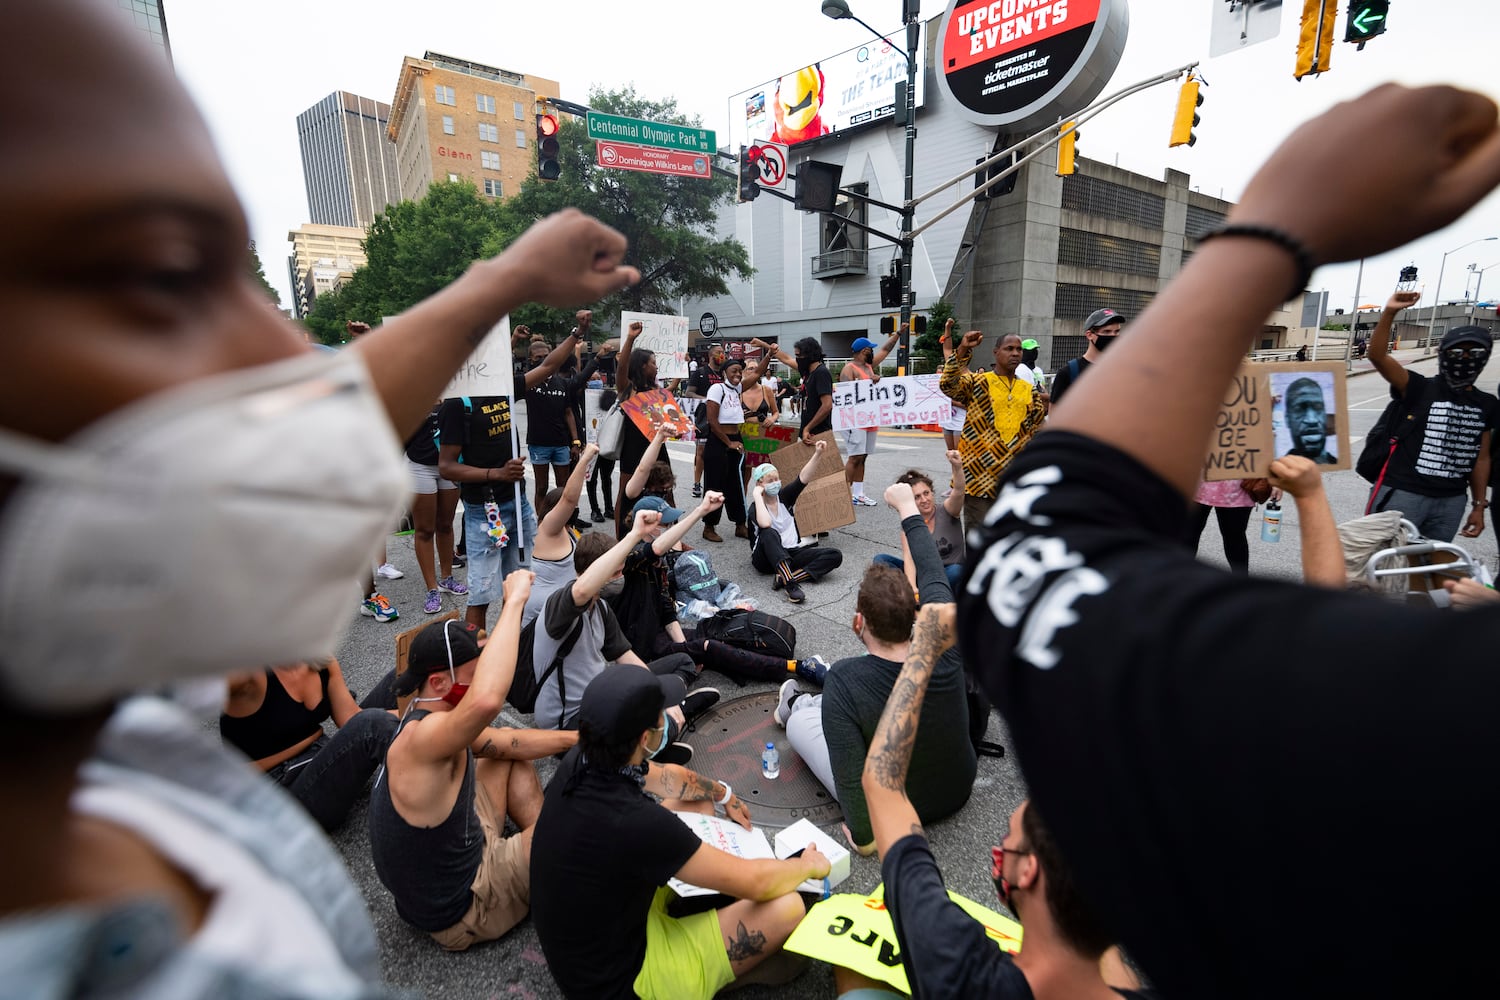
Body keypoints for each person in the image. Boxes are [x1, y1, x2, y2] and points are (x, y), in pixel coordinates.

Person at [0, 2, 642, 993]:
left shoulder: (118, 702)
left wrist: (501, 281)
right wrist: (512, 608)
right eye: (162, 275)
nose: (289, 371)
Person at [957, 83, 1500, 1000]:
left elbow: (1028, 566)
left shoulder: (1399, 722)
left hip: (1137, 506)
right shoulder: (1039, 379)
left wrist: (1268, 234)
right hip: (1043, 485)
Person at [851, 605, 1149, 999]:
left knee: (855, 985)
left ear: (1027, 871)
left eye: (1009, 835)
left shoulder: (962, 971)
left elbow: (882, 784)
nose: (1000, 846)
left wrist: (923, 649)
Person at [530, 666, 831, 999]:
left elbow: (667, 777)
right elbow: (755, 882)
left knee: (697, 800)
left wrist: (723, 794)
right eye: (660, 717)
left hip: (597, 934)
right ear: (645, 738)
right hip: (624, 982)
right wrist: (808, 865)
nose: (666, 720)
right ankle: (721, 978)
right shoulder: (635, 821)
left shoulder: (586, 757)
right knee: (787, 907)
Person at [371, 588, 578, 951]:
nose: (485, 677)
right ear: (439, 682)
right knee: (582, 820)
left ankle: (545, 856)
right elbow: (487, 700)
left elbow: (507, 741)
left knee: (503, 754)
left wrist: (578, 738)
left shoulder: (428, 713)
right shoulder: (423, 741)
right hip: (466, 908)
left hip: (446, 865)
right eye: (476, 672)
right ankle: (552, 856)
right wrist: (514, 601)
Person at [779, 484, 974, 859]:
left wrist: (865, 838)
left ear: (858, 623)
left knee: (803, 723)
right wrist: (906, 509)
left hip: (897, 810)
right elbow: (933, 572)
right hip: (957, 789)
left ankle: (800, 706)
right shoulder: (945, 642)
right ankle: (813, 705)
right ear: (916, 614)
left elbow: (854, 788)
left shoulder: (847, 678)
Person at [529, 509, 716, 761]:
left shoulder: (602, 608)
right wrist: (635, 534)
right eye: (616, 572)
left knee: (680, 665)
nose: (621, 578)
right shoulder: (560, 606)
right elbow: (583, 588)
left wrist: (656, 697)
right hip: (570, 723)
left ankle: (658, 728)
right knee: (660, 712)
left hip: (602, 695)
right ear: (596, 572)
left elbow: (626, 657)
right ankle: (656, 737)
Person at [440, 330, 581, 629]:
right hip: (484, 512)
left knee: (518, 583)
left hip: (517, 504)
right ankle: (475, 660)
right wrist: (497, 474)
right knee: (480, 594)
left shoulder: (504, 387)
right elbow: (447, 467)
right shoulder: (457, 403)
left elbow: (547, 368)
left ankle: (511, 644)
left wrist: (575, 334)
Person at [610, 494, 830, 686]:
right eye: (665, 523)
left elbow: (667, 609)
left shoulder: (659, 563)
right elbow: (655, 549)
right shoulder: (629, 558)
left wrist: (684, 646)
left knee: (716, 630)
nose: (670, 527)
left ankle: (769, 652)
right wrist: (701, 511)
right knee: (709, 647)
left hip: (658, 633)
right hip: (642, 647)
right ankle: (797, 667)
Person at [1365, 290, 1496, 540]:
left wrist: (1479, 505)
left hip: (1451, 501)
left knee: (1429, 572)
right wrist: (1390, 312)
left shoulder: (1487, 404)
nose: (1465, 359)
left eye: (1475, 353)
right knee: (1383, 564)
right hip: (1403, 493)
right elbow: (1378, 356)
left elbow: (1481, 458)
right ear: (1444, 354)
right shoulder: (1419, 388)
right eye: (1457, 353)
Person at [221, 658, 398, 832]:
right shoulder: (248, 675)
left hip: (316, 762)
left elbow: (350, 716)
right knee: (372, 725)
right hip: (279, 800)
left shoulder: (320, 661)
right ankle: (418, 794)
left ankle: (419, 741)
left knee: (408, 673)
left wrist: (412, 708)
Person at [940, 330, 1048, 532]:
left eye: (1018, 349)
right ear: (996, 352)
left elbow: (1037, 429)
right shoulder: (977, 382)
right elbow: (948, 384)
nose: (1015, 353)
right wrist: (963, 348)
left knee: (1009, 541)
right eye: (1009, 349)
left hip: (1014, 481)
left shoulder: (1029, 389)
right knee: (978, 541)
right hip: (979, 480)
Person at [746, 442, 845, 603]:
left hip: (791, 553)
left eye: (777, 479)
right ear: (759, 484)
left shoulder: (784, 498)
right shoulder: (755, 507)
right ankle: (791, 585)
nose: (775, 483)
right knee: (769, 533)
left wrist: (818, 453)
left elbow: (802, 478)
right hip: (765, 559)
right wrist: (757, 496)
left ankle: (785, 577)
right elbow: (765, 524)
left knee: (834, 555)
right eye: (770, 480)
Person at [522, 442, 601, 626]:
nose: (573, 511)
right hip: (543, 616)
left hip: (564, 608)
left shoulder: (569, 531)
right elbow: (569, 498)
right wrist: (586, 457)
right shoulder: (547, 531)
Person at [404, 400, 469, 614]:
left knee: (445, 525)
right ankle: (432, 588)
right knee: (424, 530)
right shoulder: (416, 391)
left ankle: (446, 577)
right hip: (420, 465)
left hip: (450, 464)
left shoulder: (458, 389)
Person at [873, 453, 967, 590]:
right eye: (917, 497)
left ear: (932, 492)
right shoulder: (909, 523)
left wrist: (957, 467)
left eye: (926, 493)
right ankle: (915, 592)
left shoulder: (948, 510)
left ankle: (924, 592)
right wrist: (912, 588)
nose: (924, 500)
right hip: (923, 575)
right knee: (881, 560)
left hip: (948, 573)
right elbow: (909, 558)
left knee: (957, 571)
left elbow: (958, 491)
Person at [523, 331, 582, 515]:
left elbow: (568, 413)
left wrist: (575, 441)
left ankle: (563, 522)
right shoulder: (527, 382)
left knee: (562, 487)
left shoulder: (561, 383)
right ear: (531, 360)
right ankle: (542, 524)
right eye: (537, 357)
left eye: (545, 356)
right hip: (538, 443)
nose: (542, 360)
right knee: (541, 488)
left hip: (560, 444)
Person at [838, 332, 899, 506]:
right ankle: (842, 495)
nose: (872, 352)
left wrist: (898, 334)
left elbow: (886, 350)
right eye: (870, 349)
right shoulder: (849, 369)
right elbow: (844, 395)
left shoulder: (869, 366)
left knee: (863, 457)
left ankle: (859, 493)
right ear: (864, 350)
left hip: (870, 419)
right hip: (855, 420)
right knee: (854, 457)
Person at [614, 321, 659, 535]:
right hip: (634, 448)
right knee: (627, 496)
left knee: (663, 491)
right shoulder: (629, 389)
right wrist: (630, 339)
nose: (657, 366)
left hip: (657, 446)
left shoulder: (655, 390)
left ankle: (665, 537)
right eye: (653, 362)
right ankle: (621, 541)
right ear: (642, 366)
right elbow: (621, 369)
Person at [752, 337, 833, 445]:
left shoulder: (821, 373)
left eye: (799, 356)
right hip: (809, 432)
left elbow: (827, 405)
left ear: (809, 355)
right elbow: (785, 358)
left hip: (819, 433)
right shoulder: (807, 371)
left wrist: (808, 428)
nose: (797, 359)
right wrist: (764, 345)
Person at [702, 358, 748, 542]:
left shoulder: (737, 389)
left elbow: (757, 375)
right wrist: (728, 442)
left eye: (740, 371)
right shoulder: (717, 389)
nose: (738, 374)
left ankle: (740, 525)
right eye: (734, 371)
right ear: (724, 373)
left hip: (736, 438)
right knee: (715, 484)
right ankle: (709, 526)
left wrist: (768, 355)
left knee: (736, 483)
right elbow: (712, 421)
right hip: (719, 441)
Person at [1046, 308, 1123, 405]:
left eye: (1117, 332)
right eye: (1106, 332)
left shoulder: (1123, 370)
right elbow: (1055, 415)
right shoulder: (1068, 373)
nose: (1113, 336)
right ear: (1089, 335)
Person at [1186, 478, 1261, 575]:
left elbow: (1262, 462)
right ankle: (1178, 580)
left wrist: (1275, 482)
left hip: (1236, 488)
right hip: (1197, 484)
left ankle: (1241, 582)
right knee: (1188, 535)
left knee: (1234, 539)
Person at [686, 343, 726, 498]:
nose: (721, 355)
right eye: (718, 352)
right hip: (703, 417)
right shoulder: (700, 372)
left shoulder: (724, 373)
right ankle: (697, 483)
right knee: (701, 451)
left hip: (722, 418)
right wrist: (708, 400)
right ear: (710, 355)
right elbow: (689, 393)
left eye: (723, 352)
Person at [1283, 377, 1337, 463]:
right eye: (1299, 409)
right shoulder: (1275, 469)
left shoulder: (1335, 462)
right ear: (1287, 418)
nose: (1311, 420)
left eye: (1318, 407)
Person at [587, 388, 618, 524]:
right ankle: (595, 509)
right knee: (593, 478)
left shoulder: (614, 410)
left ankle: (608, 508)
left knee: (605, 478)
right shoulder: (588, 401)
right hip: (593, 444)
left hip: (606, 445)